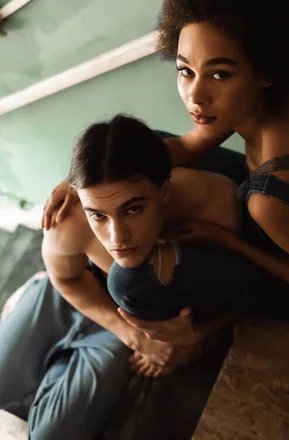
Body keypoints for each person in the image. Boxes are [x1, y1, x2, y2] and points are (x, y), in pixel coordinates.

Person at [43, 0, 289, 352]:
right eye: (185, 70)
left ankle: (191, 340)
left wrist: (227, 242)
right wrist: (84, 180)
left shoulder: (270, 199)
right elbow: (187, 145)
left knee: (129, 282)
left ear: (264, 70)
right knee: (142, 153)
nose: (195, 94)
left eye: (219, 74)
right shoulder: (258, 95)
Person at [0, 114, 254, 439]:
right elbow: (65, 279)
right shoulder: (70, 216)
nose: (116, 236)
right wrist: (132, 337)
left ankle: (57, 367)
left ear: (163, 191)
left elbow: (245, 293)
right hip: (75, 290)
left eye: (133, 209)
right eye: (99, 216)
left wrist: (198, 339)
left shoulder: (213, 203)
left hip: (142, 314)